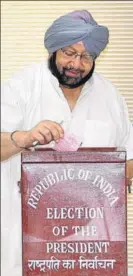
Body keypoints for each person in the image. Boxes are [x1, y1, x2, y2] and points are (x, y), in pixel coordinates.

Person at [1, 10, 133, 276]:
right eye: (69, 53)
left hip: (93, 248)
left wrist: (112, 178)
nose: (76, 63)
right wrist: (23, 138)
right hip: (24, 240)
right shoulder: (21, 87)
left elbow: (129, 157)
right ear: (54, 50)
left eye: (86, 57)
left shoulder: (111, 96)